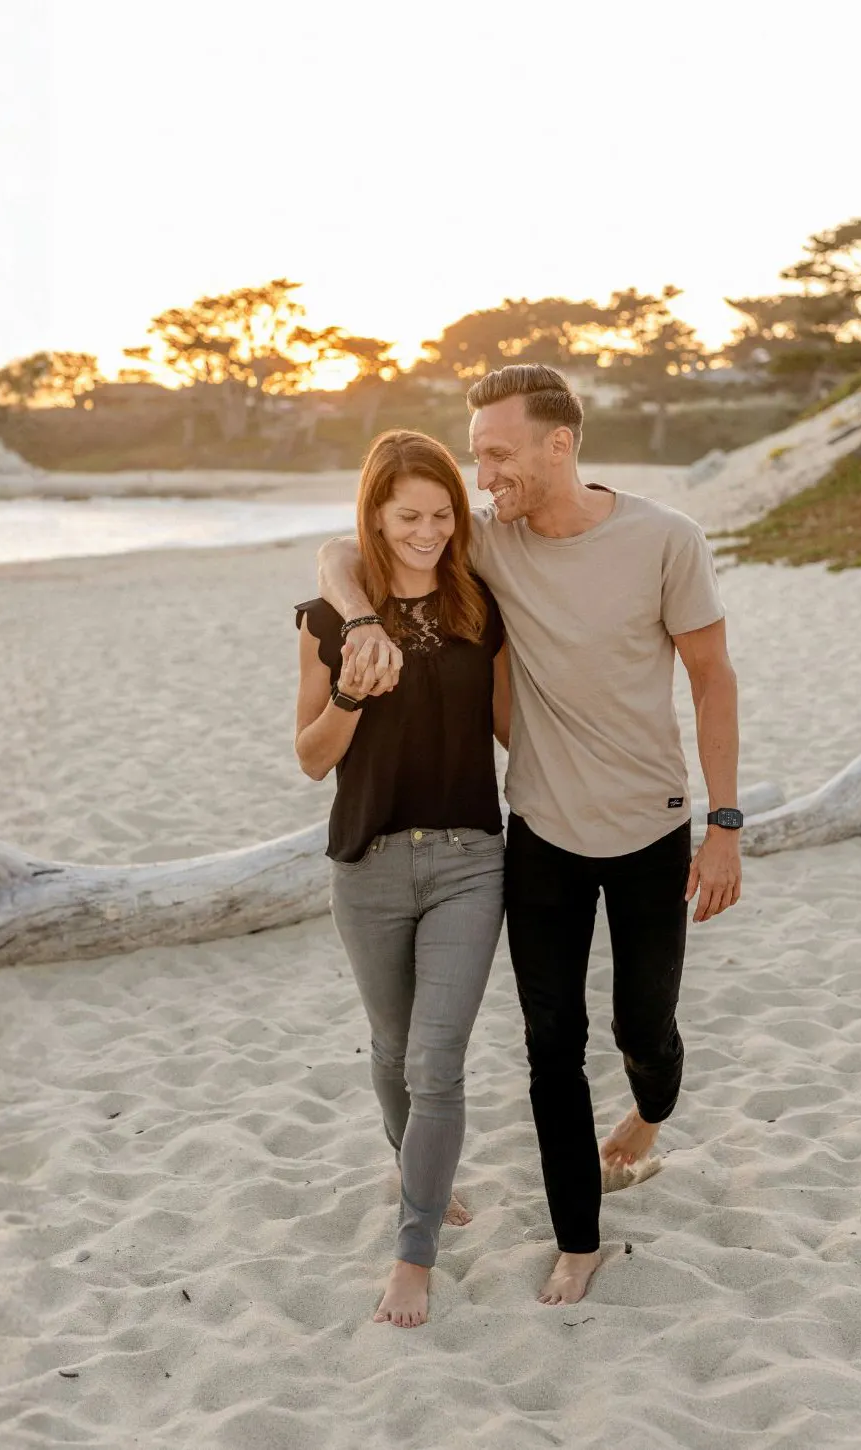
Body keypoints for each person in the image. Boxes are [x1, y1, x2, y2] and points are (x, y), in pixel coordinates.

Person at [316, 364, 743, 1307]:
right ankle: (578, 1236)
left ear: (561, 444)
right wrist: (352, 621)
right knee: (550, 1043)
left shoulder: (665, 539)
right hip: (541, 831)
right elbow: (348, 552)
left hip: (654, 827)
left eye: (499, 454)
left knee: (645, 1030)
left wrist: (725, 822)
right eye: (477, 457)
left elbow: (713, 679)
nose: (483, 476)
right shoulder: (492, 545)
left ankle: (649, 1112)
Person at [294, 429, 511, 1329]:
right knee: (389, 1050)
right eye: (408, 516)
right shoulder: (327, 616)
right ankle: (415, 1163)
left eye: (441, 515)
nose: (427, 532)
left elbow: (513, 731)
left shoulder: (480, 608)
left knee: (435, 1061)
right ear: (374, 519)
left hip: (469, 859)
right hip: (368, 863)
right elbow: (310, 760)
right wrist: (349, 689)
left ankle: (412, 1252)